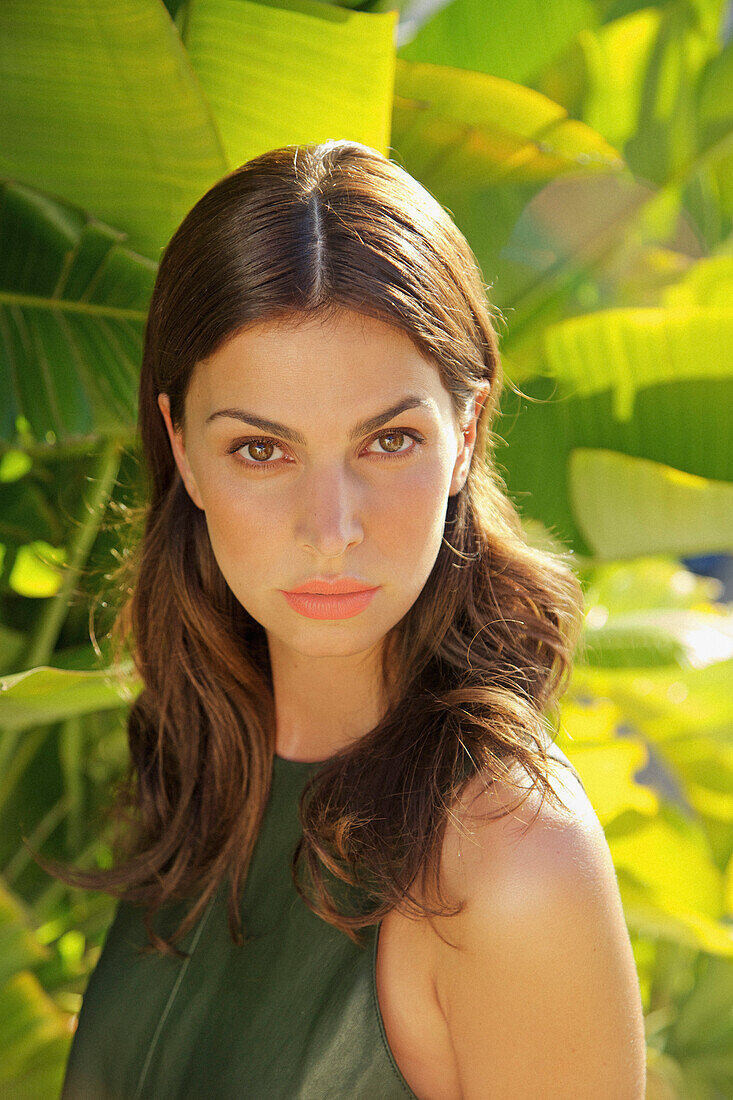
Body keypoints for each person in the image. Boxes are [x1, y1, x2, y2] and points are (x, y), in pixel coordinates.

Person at [50, 139, 646, 1098]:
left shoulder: (508, 864)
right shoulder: (201, 777)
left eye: (388, 440)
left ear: (465, 438)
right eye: (260, 450)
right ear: (182, 450)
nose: (331, 532)